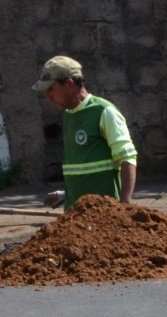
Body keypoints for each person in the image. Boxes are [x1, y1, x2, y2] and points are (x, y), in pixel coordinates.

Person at [34, 56, 138, 208]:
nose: (48, 96)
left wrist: (125, 204)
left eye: (51, 89)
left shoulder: (103, 111)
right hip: (75, 214)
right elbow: (81, 169)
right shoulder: (68, 115)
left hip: (106, 213)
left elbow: (128, 157)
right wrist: (67, 194)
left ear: (69, 84)